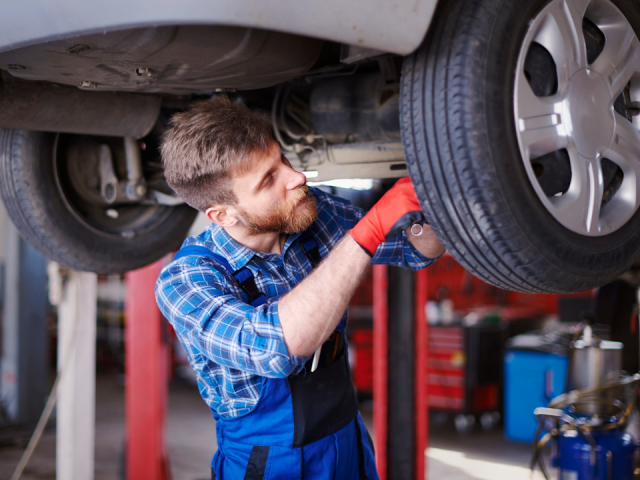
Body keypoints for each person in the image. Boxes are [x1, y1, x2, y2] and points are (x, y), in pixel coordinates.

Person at [155, 96, 445, 480]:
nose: (298, 178)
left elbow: (415, 250)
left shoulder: (307, 212)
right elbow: (276, 346)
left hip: (346, 441)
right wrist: (365, 235)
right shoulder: (186, 281)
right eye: (269, 179)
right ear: (223, 215)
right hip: (269, 462)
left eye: (282, 161)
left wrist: (439, 204)